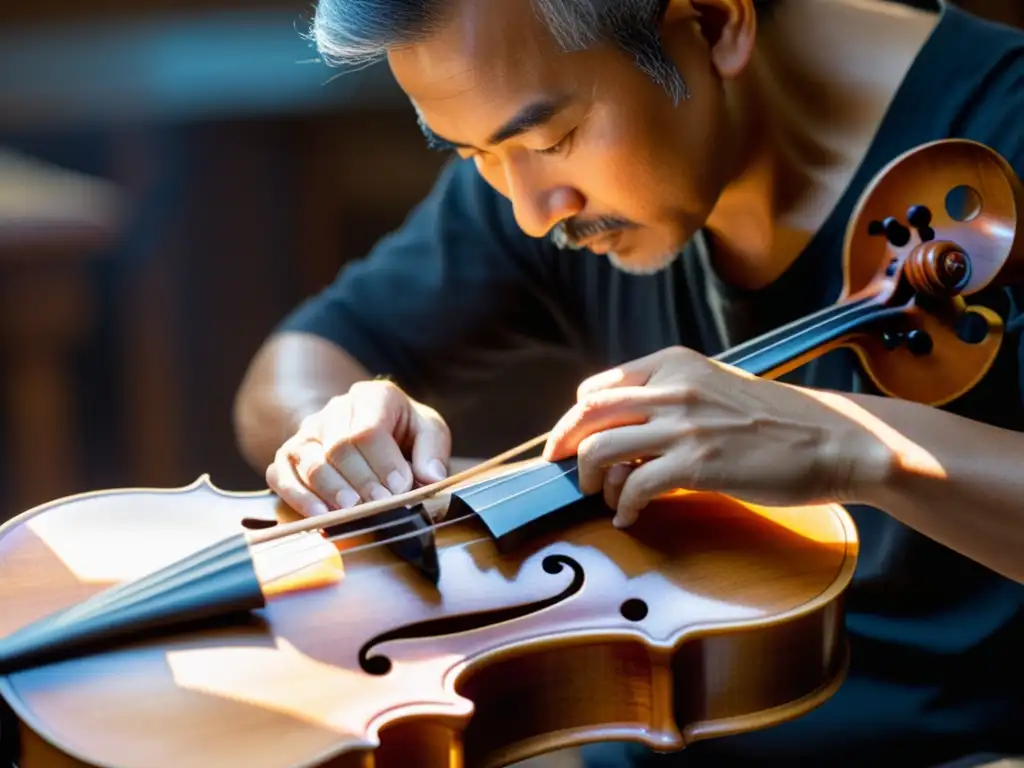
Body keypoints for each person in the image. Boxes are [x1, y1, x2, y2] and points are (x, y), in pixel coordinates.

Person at [233, 0, 1024, 765]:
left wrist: (854, 445)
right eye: (470, 153)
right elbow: (301, 360)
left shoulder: (1006, 127)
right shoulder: (536, 137)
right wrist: (338, 431)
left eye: (554, 138)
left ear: (713, 22)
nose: (533, 215)